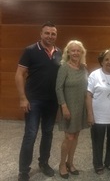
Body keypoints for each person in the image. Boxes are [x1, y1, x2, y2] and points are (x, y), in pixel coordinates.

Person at [15, 21, 62, 181]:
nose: (50, 36)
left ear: (56, 35)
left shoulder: (60, 52)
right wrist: (22, 98)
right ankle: (23, 171)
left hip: (52, 101)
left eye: (53, 33)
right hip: (33, 101)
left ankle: (44, 163)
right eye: (47, 33)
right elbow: (19, 74)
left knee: (48, 133)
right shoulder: (30, 50)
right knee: (30, 134)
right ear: (41, 34)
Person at [55, 40, 89, 179]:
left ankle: (70, 162)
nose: (75, 53)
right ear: (68, 52)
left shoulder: (84, 68)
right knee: (68, 137)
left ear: (82, 53)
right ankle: (62, 164)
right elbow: (58, 88)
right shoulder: (64, 67)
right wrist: (63, 106)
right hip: (68, 107)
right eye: (73, 50)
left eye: (78, 50)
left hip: (80, 107)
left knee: (76, 136)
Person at [86, 49, 110, 175]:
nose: (109, 62)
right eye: (106, 59)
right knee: (97, 142)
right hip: (98, 116)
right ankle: (98, 164)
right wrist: (90, 114)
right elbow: (88, 95)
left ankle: (109, 162)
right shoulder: (94, 75)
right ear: (101, 61)